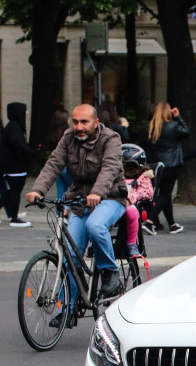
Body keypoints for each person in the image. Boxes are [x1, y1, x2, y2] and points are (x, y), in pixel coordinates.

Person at [26, 104, 129, 303]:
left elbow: (109, 169)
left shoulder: (111, 139)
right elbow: (54, 164)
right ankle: (69, 308)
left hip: (110, 198)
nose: (79, 127)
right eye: (75, 122)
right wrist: (38, 190)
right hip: (81, 200)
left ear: (96, 122)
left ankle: (109, 270)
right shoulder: (68, 138)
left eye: (84, 122)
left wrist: (97, 193)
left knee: (95, 225)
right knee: (69, 256)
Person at [144, 101, 188, 233]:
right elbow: (186, 131)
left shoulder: (152, 126)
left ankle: (172, 224)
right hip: (171, 164)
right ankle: (149, 221)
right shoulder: (173, 126)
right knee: (165, 194)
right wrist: (178, 116)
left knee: (164, 195)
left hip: (158, 164)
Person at [0, 102, 37, 227]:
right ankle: (14, 218)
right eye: (24, 111)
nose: (26, 113)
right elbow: (19, 145)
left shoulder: (12, 127)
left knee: (14, 189)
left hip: (10, 164)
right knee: (16, 189)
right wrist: (33, 151)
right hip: (14, 164)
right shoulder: (14, 127)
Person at [120, 143, 152, 259]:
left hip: (129, 205)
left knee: (132, 211)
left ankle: (132, 244)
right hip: (114, 203)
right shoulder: (114, 175)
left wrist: (132, 197)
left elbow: (147, 192)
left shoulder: (142, 177)